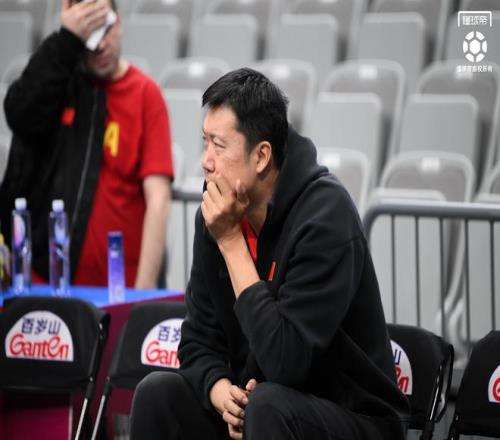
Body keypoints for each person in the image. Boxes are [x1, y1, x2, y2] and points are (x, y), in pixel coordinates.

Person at [129, 68, 409, 439]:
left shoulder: (325, 216)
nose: (206, 161)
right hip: (263, 402)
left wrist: (232, 243)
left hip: (353, 415)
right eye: (204, 142)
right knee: (158, 393)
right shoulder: (215, 216)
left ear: (261, 156)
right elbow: (197, 341)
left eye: (219, 146)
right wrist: (221, 395)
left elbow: (287, 362)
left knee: (269, 404)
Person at [0, 0, 173, 288]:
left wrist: (143, 293)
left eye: (106, 29)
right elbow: (20, 112)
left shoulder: (146, 94)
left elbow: (158, 198)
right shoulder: (58, 82)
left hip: (120, 289)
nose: (100, 45)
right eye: (89, 35)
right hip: (45, 283)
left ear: (119, 21)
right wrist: (66, 40)